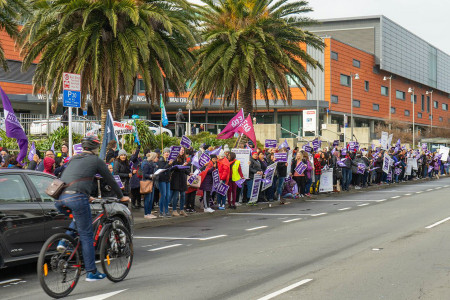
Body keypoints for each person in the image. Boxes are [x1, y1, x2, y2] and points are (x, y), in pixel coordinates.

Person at [54, 135, 129, 282]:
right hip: (77, 198)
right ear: (96, 148)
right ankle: (91, 272)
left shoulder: (74, 159)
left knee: (78, 218)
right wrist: (121, 196)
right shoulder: (96, 160)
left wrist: (85, 194)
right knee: (87, 235)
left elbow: (67, 177)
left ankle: (63, 242)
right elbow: (110, 179)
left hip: (61, 198)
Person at [170, 150, 190, 216]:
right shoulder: (174, 158)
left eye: (183, 150)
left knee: (183, 195)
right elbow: (173, 168)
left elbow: (183, 169)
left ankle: (181, 210)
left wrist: (189, 173)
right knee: (175, 196)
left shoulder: (183, 158)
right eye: (181, 150)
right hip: (176, 179)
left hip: (182, 178)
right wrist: (182, 165)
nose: (182, 151)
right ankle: (174, 210)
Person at [156, 148, 172, 217]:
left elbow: (169, 169)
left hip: (167, 180)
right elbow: (162, 169)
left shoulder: (168, 160)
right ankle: (161, 212)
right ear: (163, 153)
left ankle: (166, 211)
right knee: (163, 195)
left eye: (168, 152)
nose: (167, 153)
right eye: (166, 152)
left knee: (168, 195)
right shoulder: (160, 160)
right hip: (162, 179)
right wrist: (169, 164)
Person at [142, 152, 158, 219]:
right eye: (156, 157)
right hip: (147, 183)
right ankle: (146, 213)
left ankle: (149, 212)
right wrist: (151, 175)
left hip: (152, 183)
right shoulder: (147, 164)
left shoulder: (153, 165)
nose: (157, 159)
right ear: (153, 158)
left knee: (151, 199)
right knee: (148, 199)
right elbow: (144, 174)